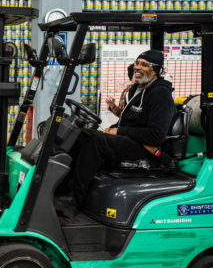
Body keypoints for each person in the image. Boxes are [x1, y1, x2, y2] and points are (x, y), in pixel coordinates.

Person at [66, 50, 175, 207]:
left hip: (144, 147)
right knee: (81, 134)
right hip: (130, 140)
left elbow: (156, 136)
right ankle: (63, 187)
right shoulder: (136, 90)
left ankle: (75, 198)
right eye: (137, 63)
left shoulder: (160, 94)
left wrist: (119, 131)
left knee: (96, 142)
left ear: (157, 70)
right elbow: (128, 120)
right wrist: (113, 128)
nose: (138, 67)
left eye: (144, 64)